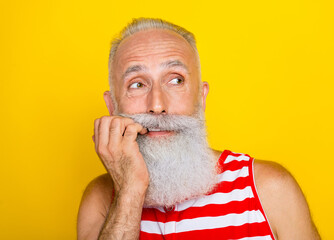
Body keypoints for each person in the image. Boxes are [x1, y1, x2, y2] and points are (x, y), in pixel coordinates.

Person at [77, 18, 321, 240]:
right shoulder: (100, 198)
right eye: (138, 84)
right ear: (112, 106)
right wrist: (129, 192)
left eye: (176, 80)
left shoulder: (269, 188)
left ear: (201, 98)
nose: (157, 105)